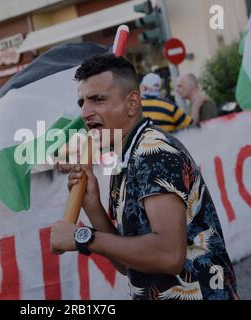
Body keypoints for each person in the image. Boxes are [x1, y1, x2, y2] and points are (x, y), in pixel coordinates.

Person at [50, 54, 238, 300]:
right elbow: (129, 266)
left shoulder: (154, 153)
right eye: (82, 102)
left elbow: (169, 255)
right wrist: (93, 207)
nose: (85, 112)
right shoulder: (129, 155)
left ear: (132, 103)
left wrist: (81, 237)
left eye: (98, 99)